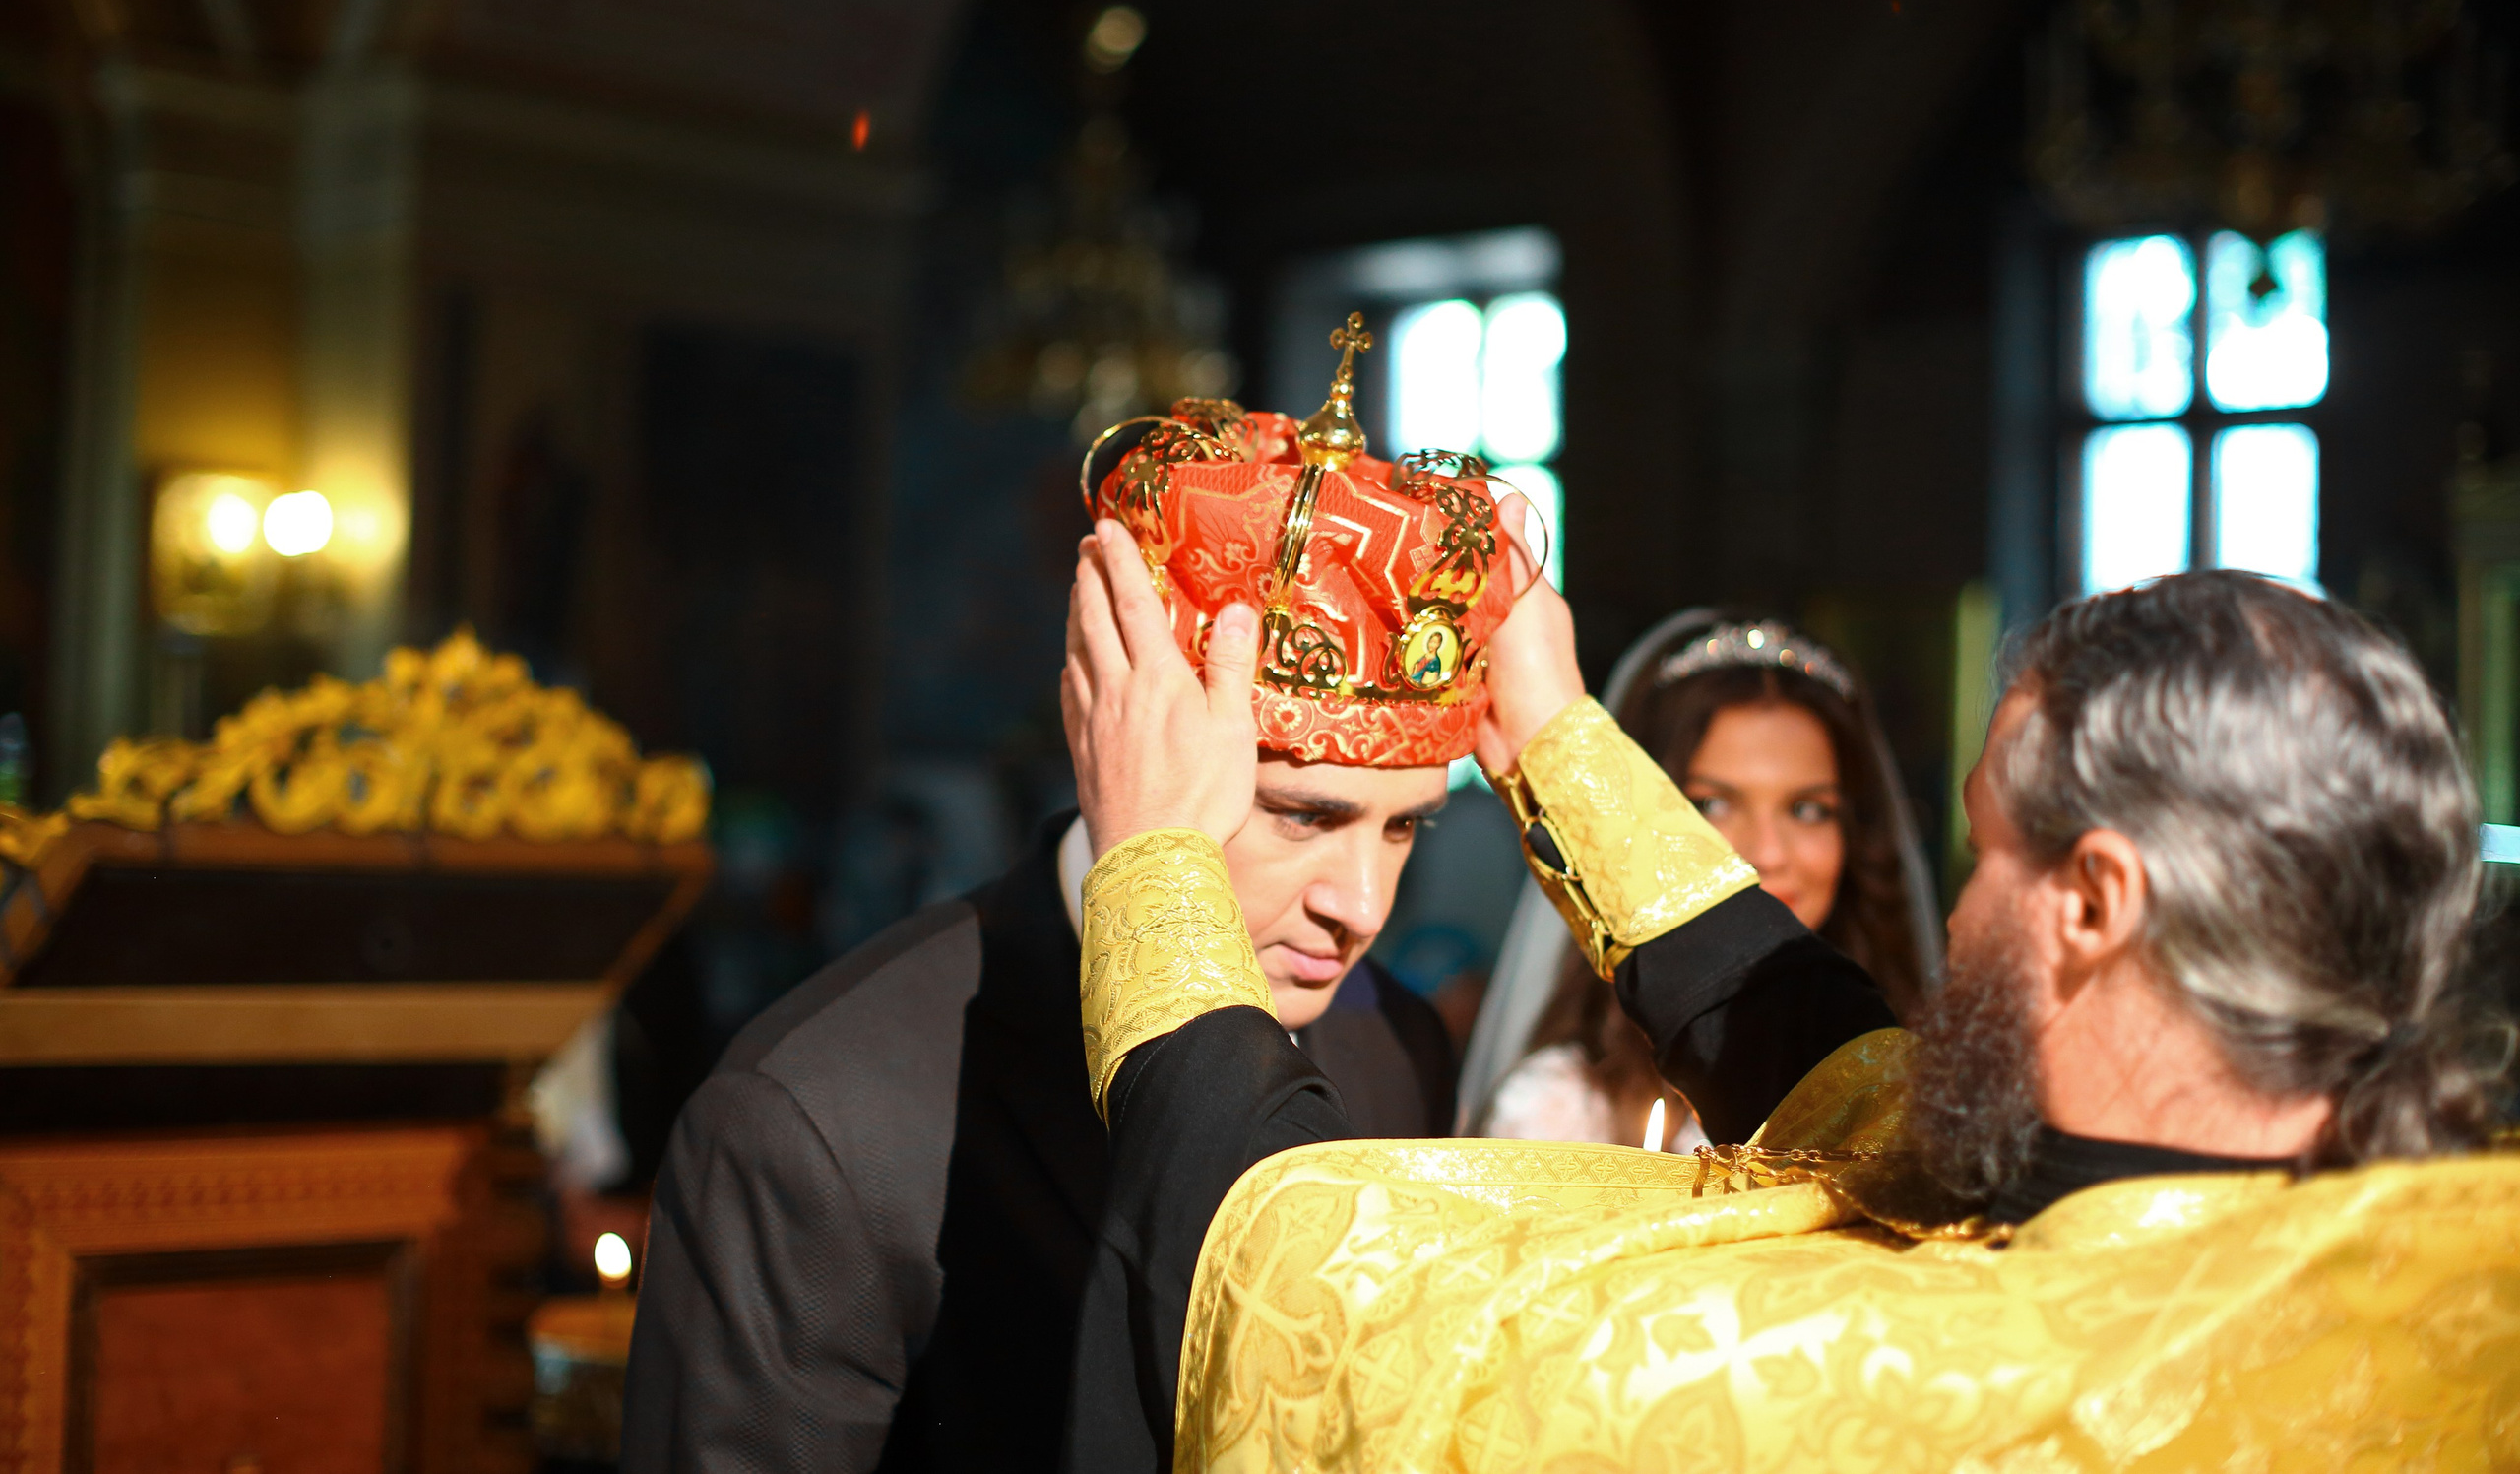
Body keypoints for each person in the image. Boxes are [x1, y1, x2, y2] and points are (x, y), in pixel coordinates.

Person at [1064, 553, 2520, 1471]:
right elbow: (1863, 1095)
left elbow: (1292, 1276)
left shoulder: (1952, 1392)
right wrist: (1557, 739)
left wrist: (1157, 865)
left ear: (2095, 900)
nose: (1951, 915)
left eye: (1989, 852)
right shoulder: (2442, 1262)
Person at [619, 357, 1471, 1472]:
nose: (1359, 908)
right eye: (1302, 817)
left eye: (1402, 828)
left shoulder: (1386, 1044)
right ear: (1122, 746)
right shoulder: (819, 1120)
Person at [1467, 610, 1940, 1148]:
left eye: (1808, 810)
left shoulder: (1924, 1084)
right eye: (1713, 805)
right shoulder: (1559, 1109)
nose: (1767, 852)